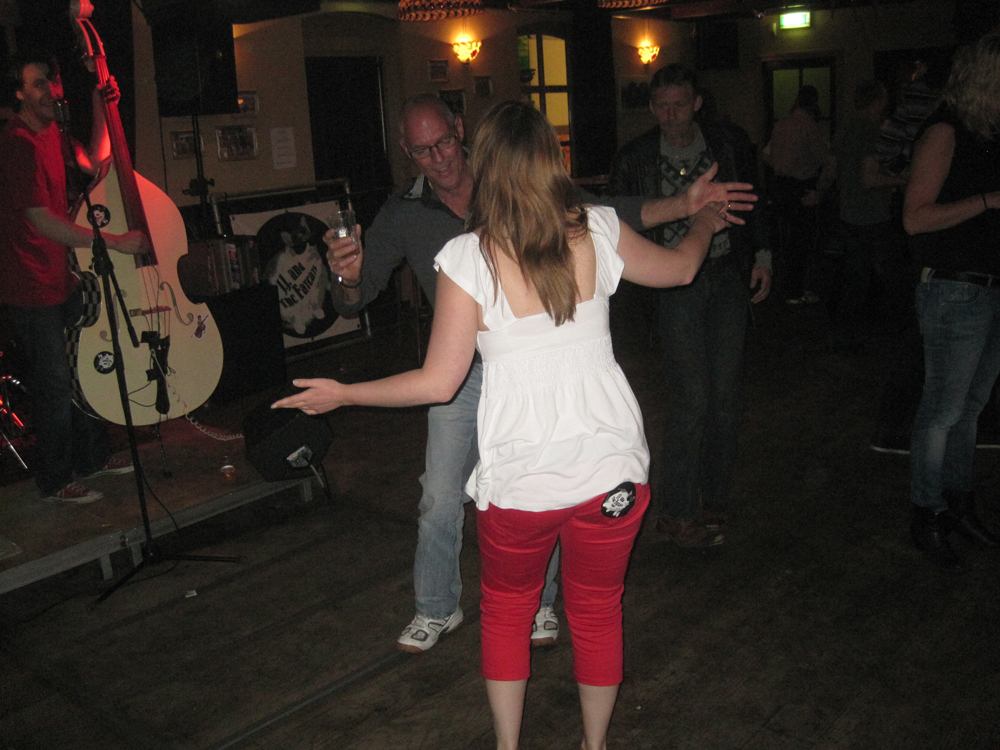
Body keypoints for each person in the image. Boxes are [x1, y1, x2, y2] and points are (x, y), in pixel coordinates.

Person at [275, 99, 729, 750]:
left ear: (484, 165)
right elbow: (682, 266)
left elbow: (438, 382)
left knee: (508, 615)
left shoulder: (468, 257)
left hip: (523, 482)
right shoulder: (596, 228)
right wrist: (705, 220)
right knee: (597, 613)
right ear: (553, 162)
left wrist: (345, 393)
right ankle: (594, 746)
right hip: (612, 474)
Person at [608, 63, 771, 548]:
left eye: (679, 104)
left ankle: (714, 497)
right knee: (691, 398)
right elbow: (618, 222)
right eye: (661, 106)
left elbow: (754, 199)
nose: (670, 114)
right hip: (674, 286)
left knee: (725, 395)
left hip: (725, 274)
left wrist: (762, 255)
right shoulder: (636, 155)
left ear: (698, 103)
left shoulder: (728, 143)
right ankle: (677, 511)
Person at [0, 54, 149, 503]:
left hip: (59, 278)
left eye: (53, 82)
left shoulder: (53, 133)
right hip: (29, 287)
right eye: (38, 84)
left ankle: (92, 459)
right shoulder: (18, 143)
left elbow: (96, 160)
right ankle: (55, 480)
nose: (50, 91)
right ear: (19, 94)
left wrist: (102, 103)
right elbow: (41, 220)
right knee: (53, 386)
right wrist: (114, 242)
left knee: (83, 373)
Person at [903, 30, 1000, 572]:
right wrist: (986, 201)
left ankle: (958, 505)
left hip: (991, 287)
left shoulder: (990, 135)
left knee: (970, 411)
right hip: (953, 289)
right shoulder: (945, 130)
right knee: (942, 412)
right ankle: (927, 514)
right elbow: (915, 218)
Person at [828, 80, 909, 351]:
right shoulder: (871, 132)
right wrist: (903, 179)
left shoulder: (846, 128)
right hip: (871, 215)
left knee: (856, 278)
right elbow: (869, 178)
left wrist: (820, 192)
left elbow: (831, 168)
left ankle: (845, 335)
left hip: (849, 213)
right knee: (888, 276)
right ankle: (903, 333)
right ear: (877, 102)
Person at [764, 84, 836, 305]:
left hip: (781, 187)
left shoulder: (781, 124)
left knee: (785, 241)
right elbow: (829, 161)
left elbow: (766, 154)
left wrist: (781, 167)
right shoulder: (808, 126)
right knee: (801, 242)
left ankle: (786, 288)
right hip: (801, 188)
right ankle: (795, 291)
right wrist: (819, 190)